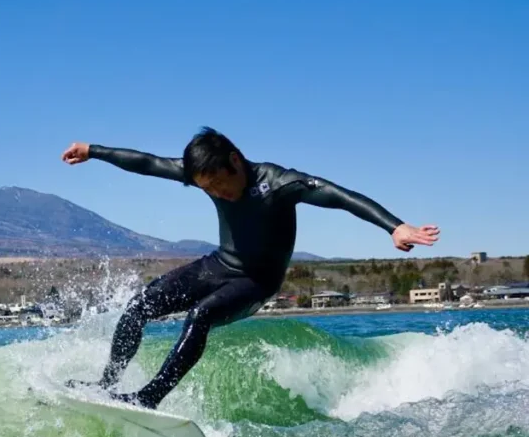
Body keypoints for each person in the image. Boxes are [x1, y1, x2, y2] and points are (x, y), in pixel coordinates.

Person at [61, 127, 439, 409]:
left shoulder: (279, 184)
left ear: (236, 161)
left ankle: (148, 398)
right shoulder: (207, 174)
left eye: (220, 185)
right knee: (139, 305)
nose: (216, 193)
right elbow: (148, 163)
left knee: (200, 315)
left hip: (257, 281)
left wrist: (395, 226)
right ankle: (106, 384)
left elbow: (340, 196)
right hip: (219, 264)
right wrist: (94, 151)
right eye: (206, 189)